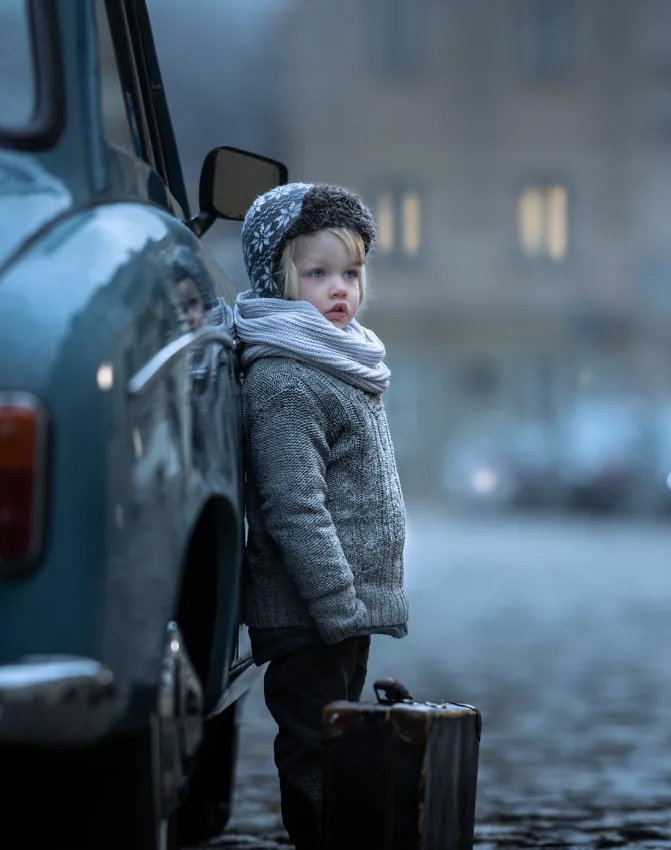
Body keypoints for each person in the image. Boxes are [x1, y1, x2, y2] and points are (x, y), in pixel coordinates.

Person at [233, 182, 409, 850]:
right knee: (315, 747)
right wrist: (337, 604)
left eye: (351, 273)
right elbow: (294, 507)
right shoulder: (286, 379)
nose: (340, 288)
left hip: (340, 611)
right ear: (278, 279)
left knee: (339, 739)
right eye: (317, 274)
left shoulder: (337, 360)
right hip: (311, 613)